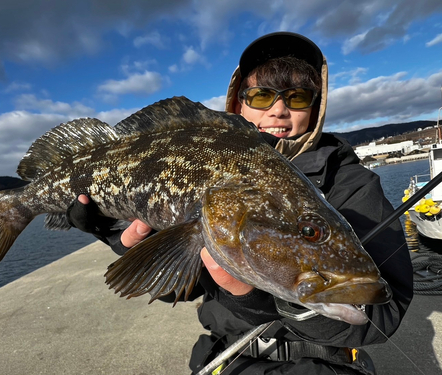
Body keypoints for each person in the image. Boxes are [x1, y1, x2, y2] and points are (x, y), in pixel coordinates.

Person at [67, 32, 413, 375]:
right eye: (262, 96)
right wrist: (114, 234)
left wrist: (258, 298)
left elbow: (383, 313)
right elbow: (181, 287)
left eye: (298, 97)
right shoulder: (215, 166)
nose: (279, 110)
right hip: (225, 359)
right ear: (237, 104)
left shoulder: (353, 184)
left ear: (316, 105)